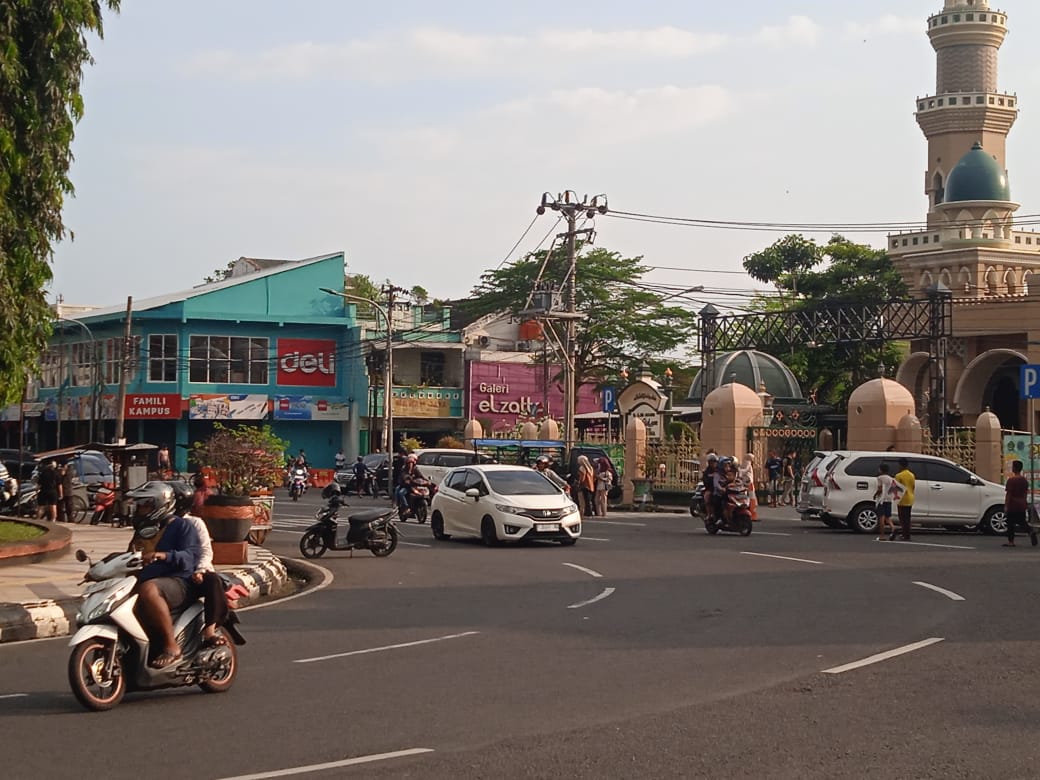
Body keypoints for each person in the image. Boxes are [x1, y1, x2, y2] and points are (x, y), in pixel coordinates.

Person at [126, 481, 201, 668]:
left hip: (179, 582)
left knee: (148, 589)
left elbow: (191, 556)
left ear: (160, 505)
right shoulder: (144, 532)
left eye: (145, 505)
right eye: (139, 506)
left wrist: (164, 555)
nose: (140, 510)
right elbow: (130, 556)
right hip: (149, 579)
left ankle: (171, 646)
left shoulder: (183, 526)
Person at [169, 480, 229, 646]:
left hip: (193, 573)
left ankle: (209, 630)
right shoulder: (156, 525)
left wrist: (200, 570)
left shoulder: (194, 523)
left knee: (212, 580)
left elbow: (205, 550)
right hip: (169, 573)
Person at [1003, 460, 1036, 547]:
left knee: (1010, 523)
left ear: (1014, 468)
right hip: (1021, 504)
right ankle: (1030, 531)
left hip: (1013, 504)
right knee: (1022, 521)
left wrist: (1006, 505)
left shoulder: (1011, 480)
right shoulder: (1024, 480)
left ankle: (1011, 541)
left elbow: (1009, 494)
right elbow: (1025, 493)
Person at [892, 458, 916, 541]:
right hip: (910, 497)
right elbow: (913, 486)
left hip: (902, 499)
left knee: (902, 518)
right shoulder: (911, 475)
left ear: (901, 465)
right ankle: (907, 534)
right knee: (907, 518)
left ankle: (904, 534)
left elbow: (896, 488)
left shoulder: (898, 475)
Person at [873, 462, 896, 541]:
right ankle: (893, 528)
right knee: (888, 517)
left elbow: (880, 489)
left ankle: (882, 536)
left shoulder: (880, 478)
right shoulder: (891, 478)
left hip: (882, 499)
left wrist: (875, 495)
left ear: (881, 470)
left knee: (881, 517)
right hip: (889, 499)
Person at [738, 453, 758, 521]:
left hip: (745, 483)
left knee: (747, 498)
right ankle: (752, 514)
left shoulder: (742, 464)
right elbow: (744, 471)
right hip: (748, 483)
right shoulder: (748, 463)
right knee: (752, 498)